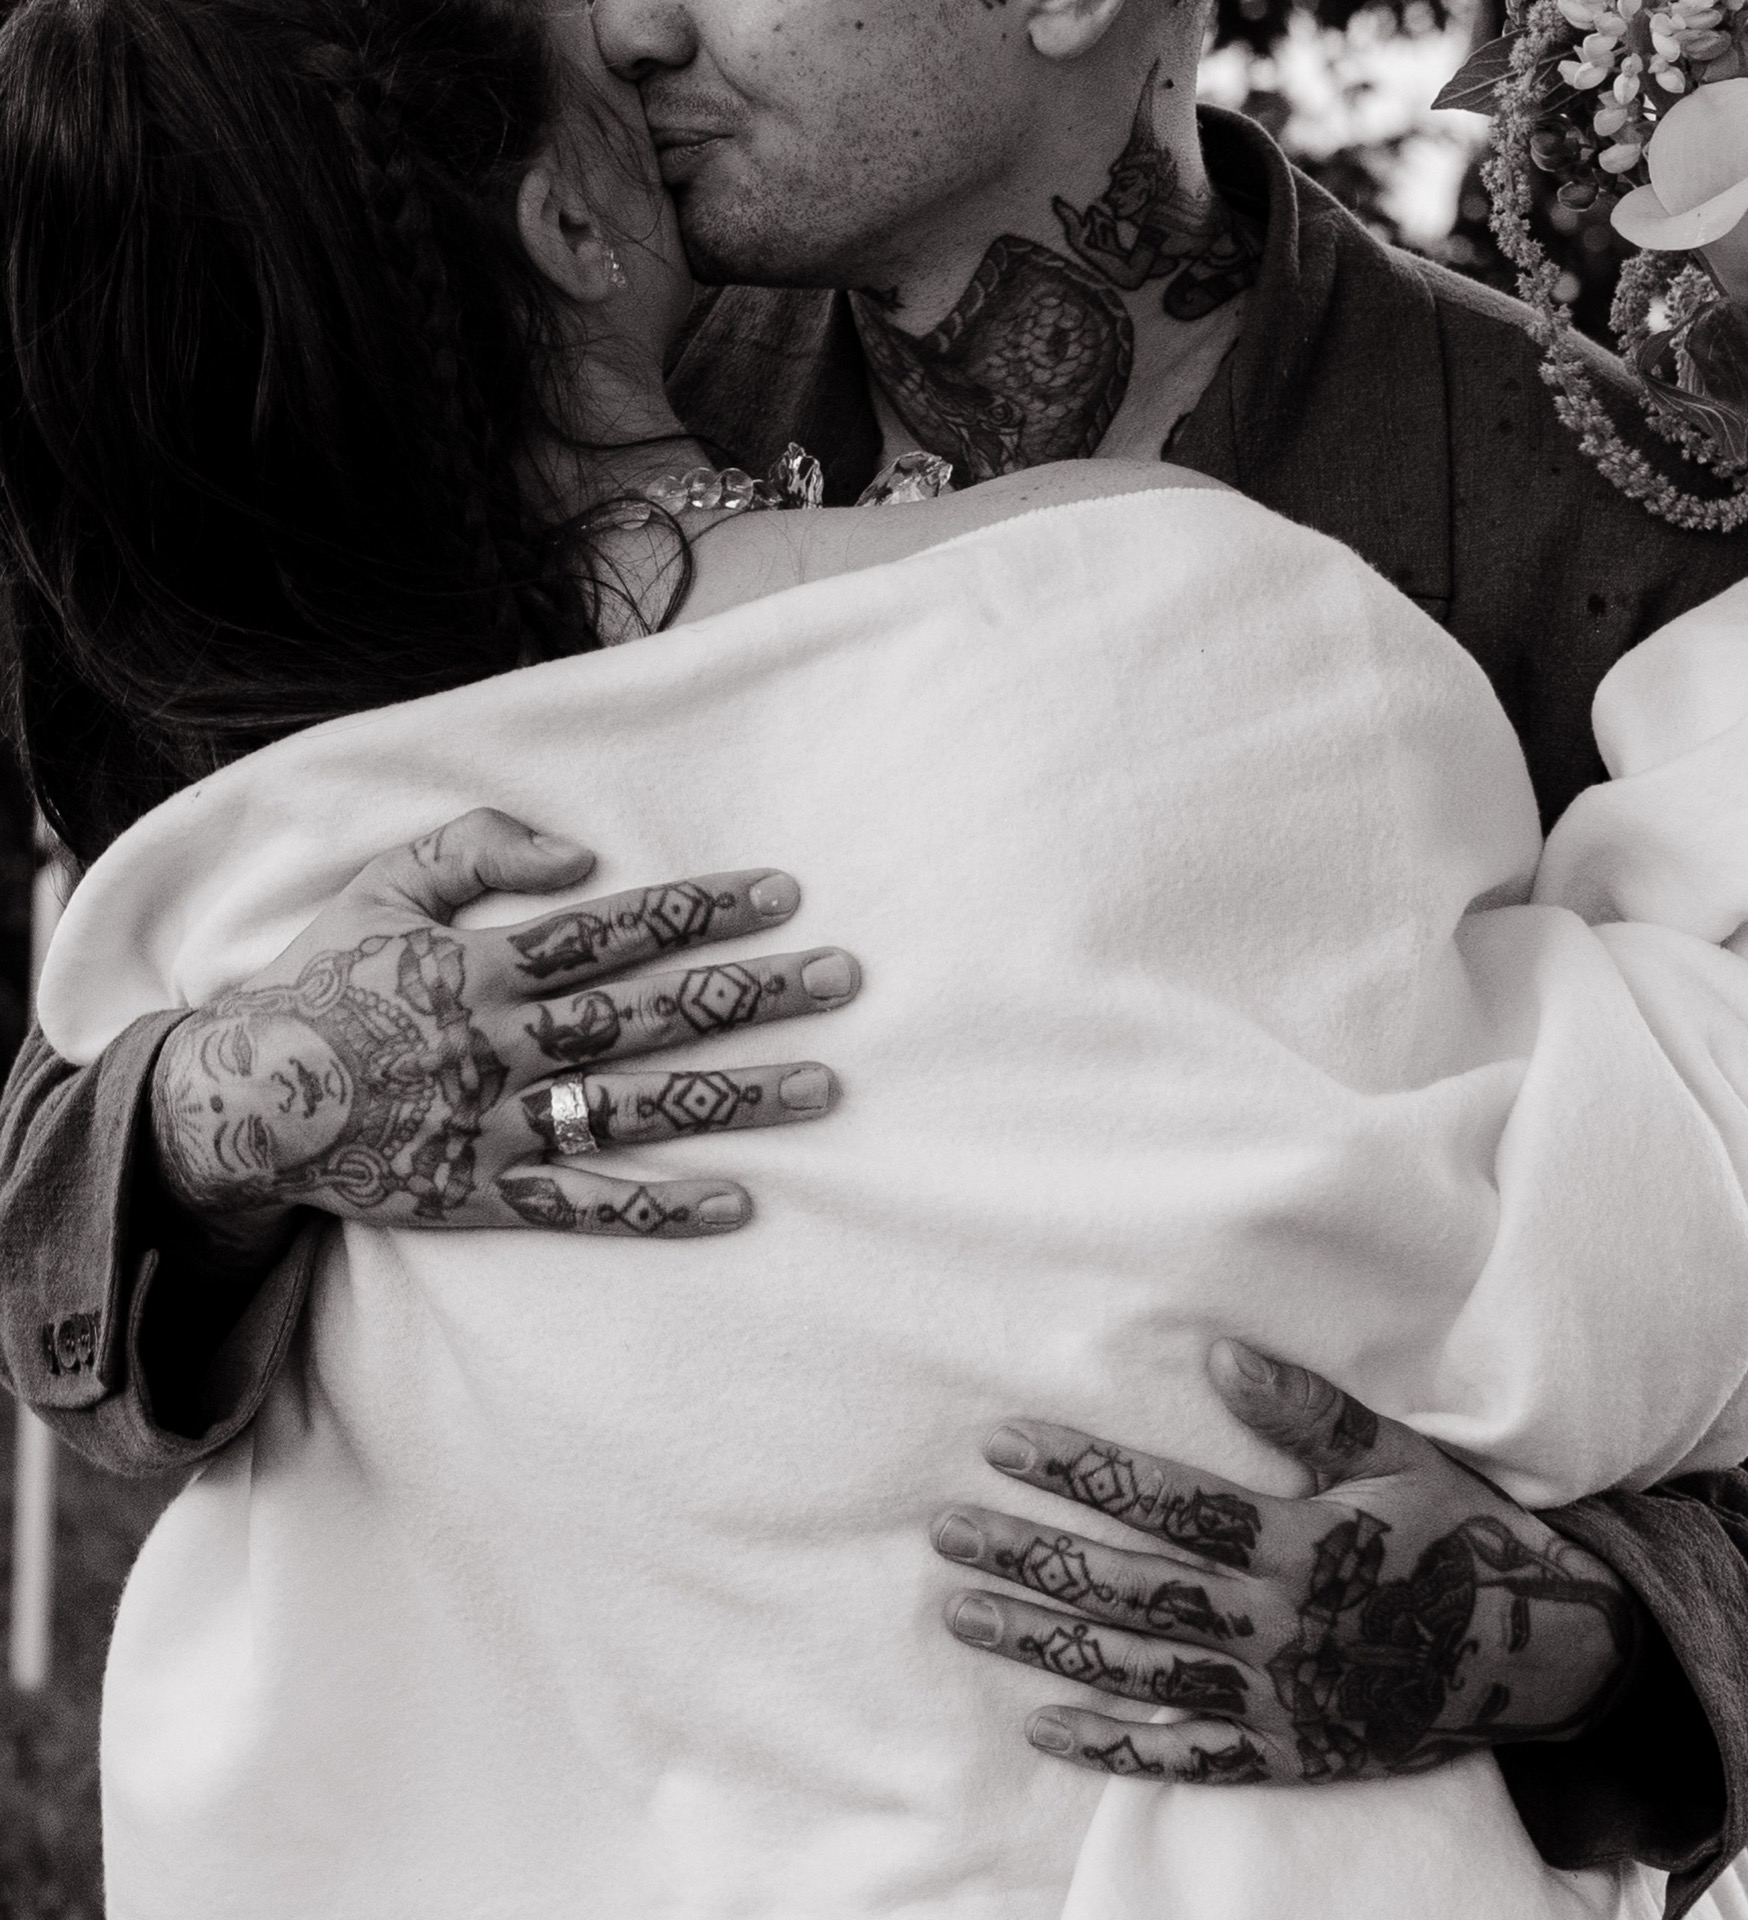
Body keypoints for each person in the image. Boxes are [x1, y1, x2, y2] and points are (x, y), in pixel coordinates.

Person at [1, 0, 1747, 1911]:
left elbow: (1684, 1203)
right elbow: (60, 1244)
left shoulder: (1604, 518)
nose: (634, 28)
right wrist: (237, 1106)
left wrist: (1595, 1645)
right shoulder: (428, 346)